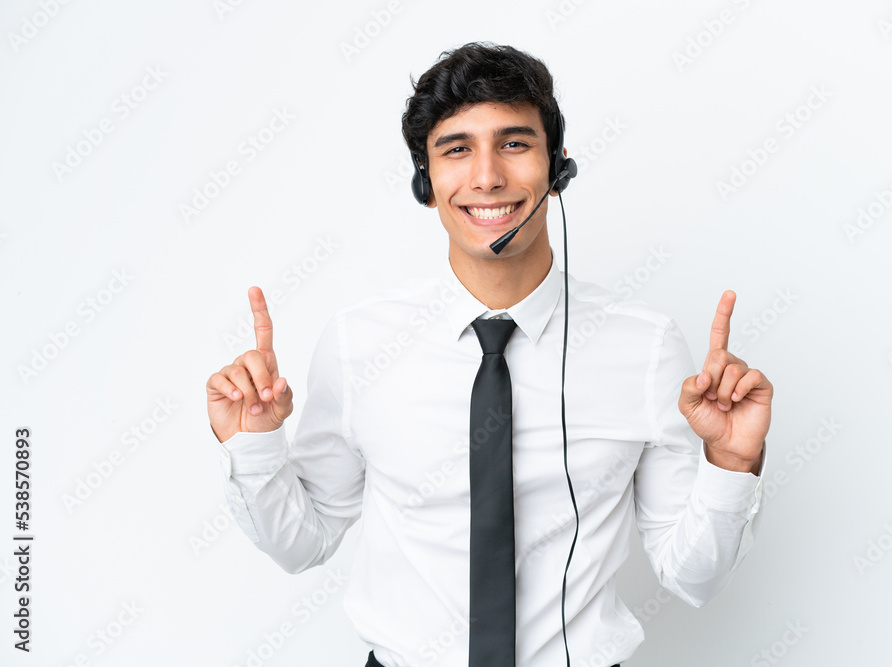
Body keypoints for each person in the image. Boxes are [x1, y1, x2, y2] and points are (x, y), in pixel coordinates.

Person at [206, 42, 772, 667]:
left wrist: (730, 460)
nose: (486, 177)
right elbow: (301, 546)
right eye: (456, 149)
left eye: (513, 143)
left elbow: (693, 576)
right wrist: (254, 445)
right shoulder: (357, 344)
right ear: (426, 181)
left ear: (557, 169)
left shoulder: (644, 348)